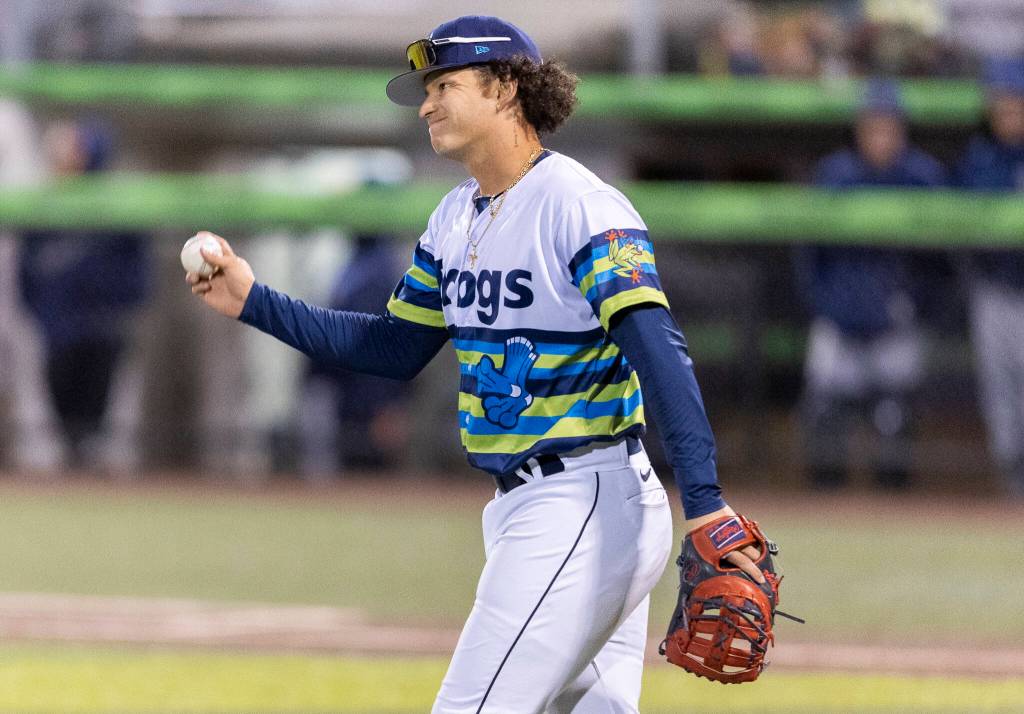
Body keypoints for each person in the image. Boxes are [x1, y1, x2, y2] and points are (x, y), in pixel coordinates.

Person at [187, 16, 765, 712]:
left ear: (506, 88)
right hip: (537, 507)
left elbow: (659, 351)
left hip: (581, 502)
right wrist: (254, 300)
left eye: (446, 85)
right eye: (426, 89)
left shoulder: (579, 205)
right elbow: (392, 348)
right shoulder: (456, 216)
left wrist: (704, 503)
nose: (427, 103)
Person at [795, 79, 946, 490]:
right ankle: (827, 506)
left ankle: (893, 508)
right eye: (872, 126)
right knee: (825, 409)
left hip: (896, 319)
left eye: (888, 126)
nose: (880, 136)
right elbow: (810, 252)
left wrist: (915, 304)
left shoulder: (922, 177)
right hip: (840, 316)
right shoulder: (835, 174)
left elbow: (941, 261)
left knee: (894, 415)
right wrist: (825, 302)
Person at [18, 118, 151, 470]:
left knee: (104, 435)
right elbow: (26, 279)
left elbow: (138, 277)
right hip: (56, 335)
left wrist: (114, 312)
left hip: (107, 334)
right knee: (59, 431)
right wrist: (44, 317)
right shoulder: (43, 211)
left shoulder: (114, 208)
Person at [956, 56, 1024, 497]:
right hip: (994, 289)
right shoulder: (978, 159)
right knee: (1001, 395)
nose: (1008, 115)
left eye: (1016, 105)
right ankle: (1012, 485)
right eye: (1000, 106)